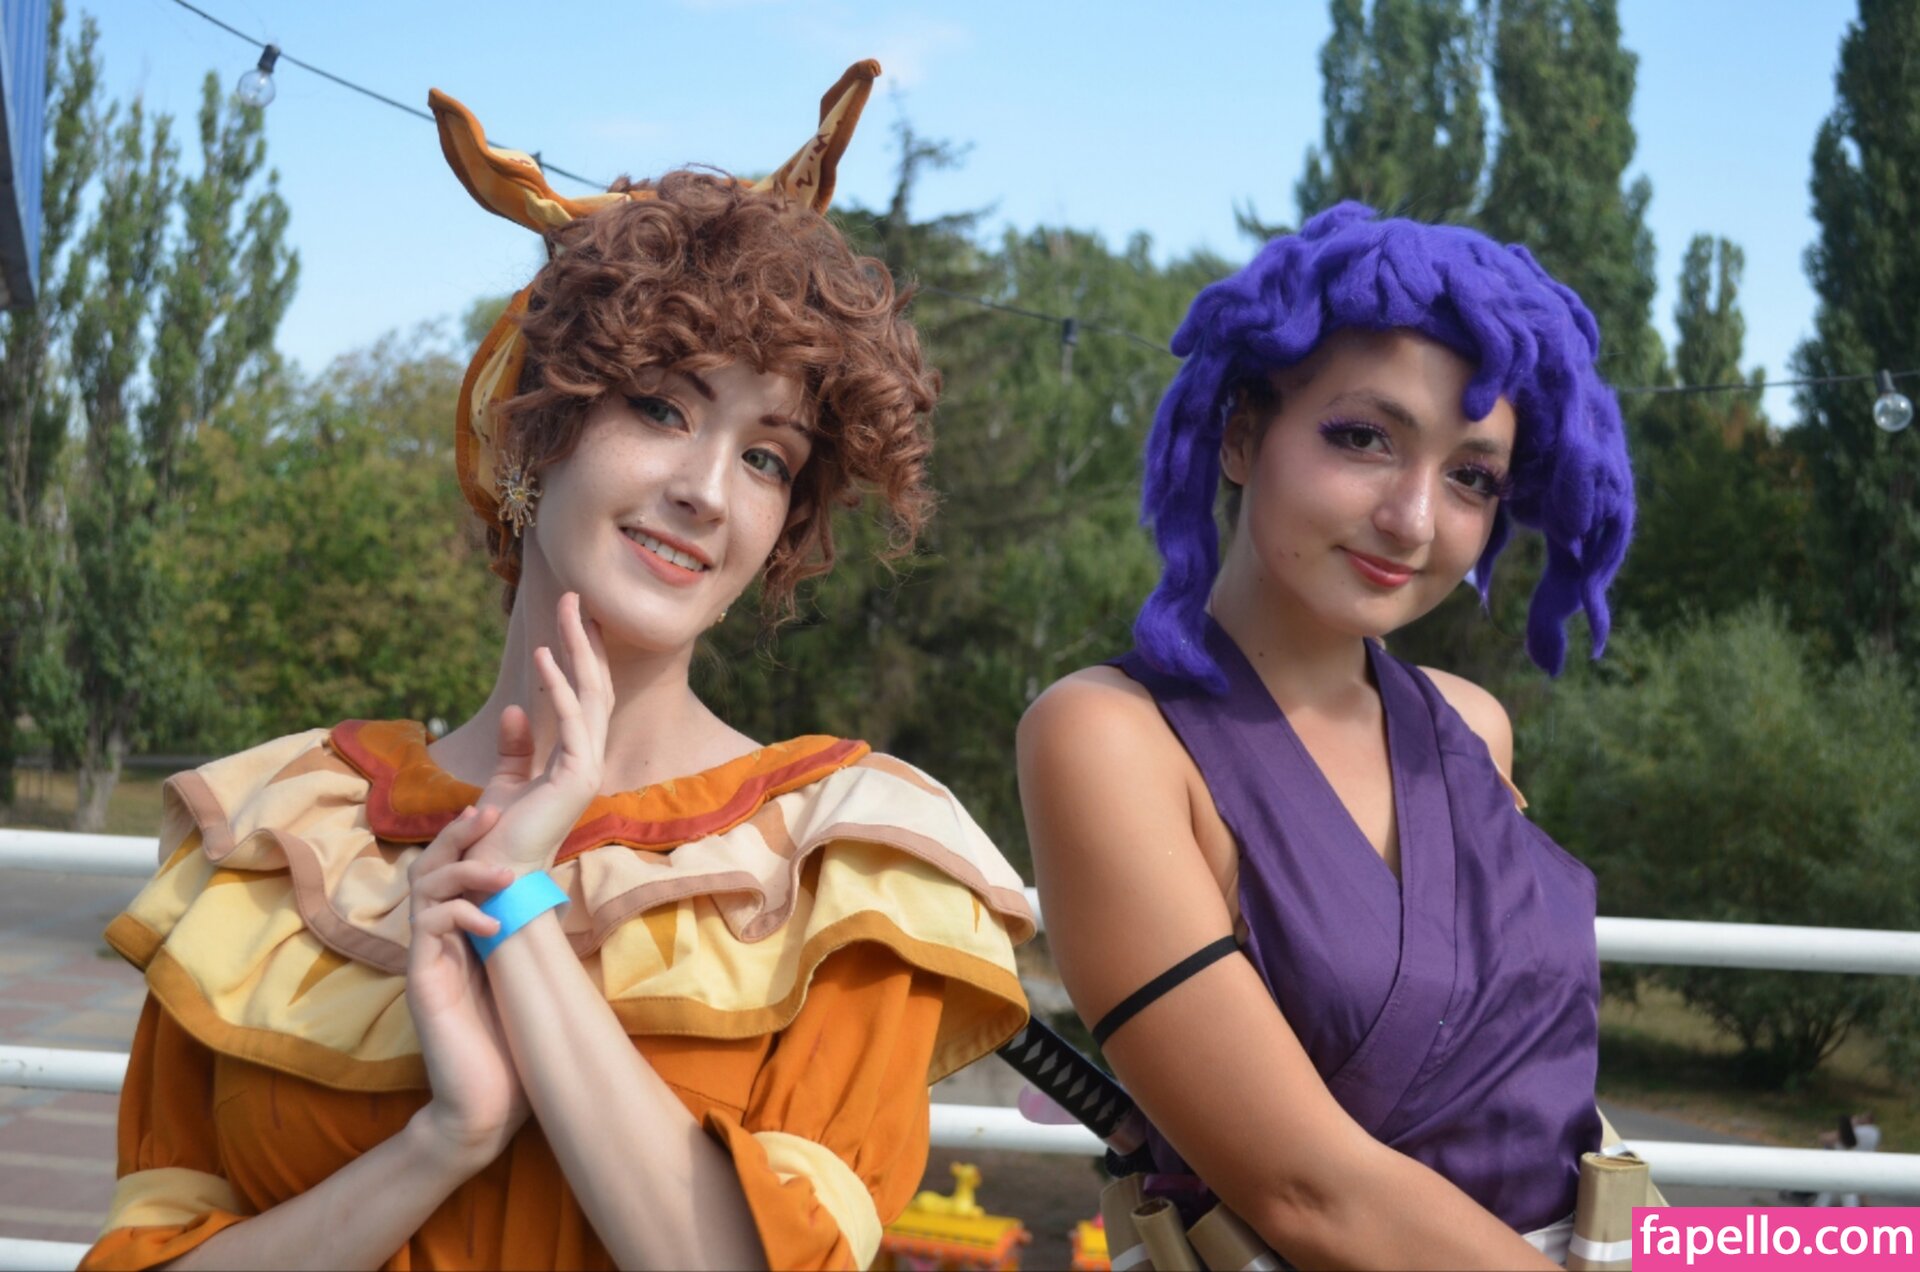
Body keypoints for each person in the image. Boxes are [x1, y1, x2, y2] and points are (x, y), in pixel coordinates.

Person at [83, 62, 1033, 1272]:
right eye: (661, 408)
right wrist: (447, 1138)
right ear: (530, 429)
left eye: (767, 458)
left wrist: (518, 911)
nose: (706, 491)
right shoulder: (278, 838)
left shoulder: (842, 860)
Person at [1017, 202, 1636, 1269]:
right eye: (1364, 438)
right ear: (1240, 433)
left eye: (1471, 476)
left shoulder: (1472, 729)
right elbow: (1305, 1190)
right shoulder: (1110, 738)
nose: (1413, 518)